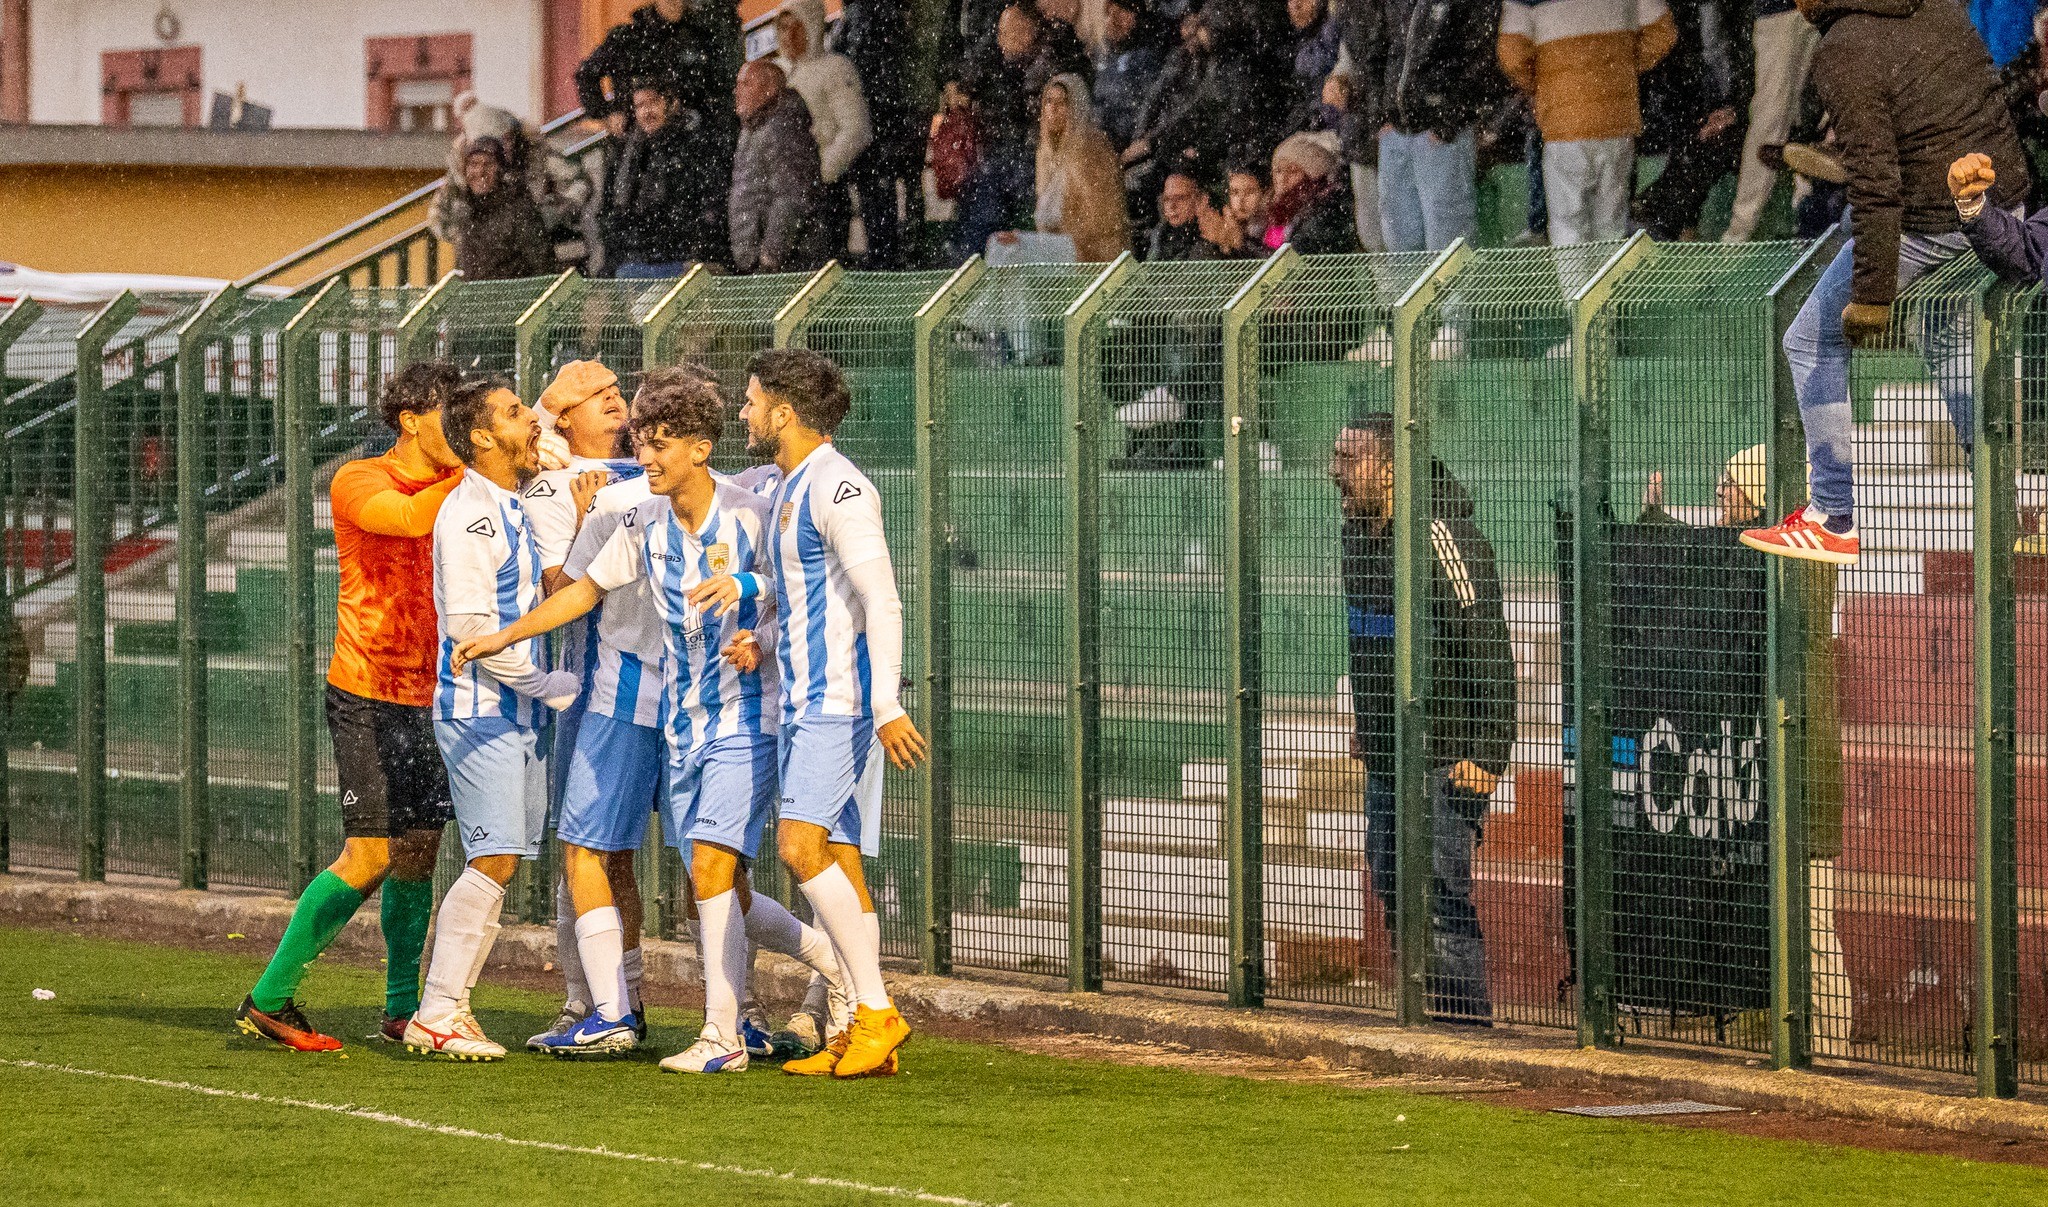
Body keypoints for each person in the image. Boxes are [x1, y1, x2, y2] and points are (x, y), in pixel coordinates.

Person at [453, 368, 850, 1073]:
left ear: (700, 448)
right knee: (712, 877)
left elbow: (806, 587)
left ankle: (702, 1026)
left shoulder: (750, 514)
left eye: (661, 444)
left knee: (695, 865)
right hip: (681, 723)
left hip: (740, 719)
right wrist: (504, 636)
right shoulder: (645, 519)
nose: (647, 457)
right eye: (642, 442)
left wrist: (758, 622)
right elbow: (578, 594)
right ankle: (819, 977)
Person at [695, 348, 927, 1078]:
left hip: (840, 702)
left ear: (785, 412)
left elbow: (881, 597)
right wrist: (758, 630)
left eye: (752, 400)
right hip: (804, 700)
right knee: (842, 864)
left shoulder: (840, 487)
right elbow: (807, 588)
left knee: (799, 849)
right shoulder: (796, 484)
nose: (744, 412)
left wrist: (885, 704)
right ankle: (863, 1030)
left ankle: (877, 1011)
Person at [1740, 0, 2029, 566]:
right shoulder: (1938, 7)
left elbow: (1876, 185)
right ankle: (2007, 504)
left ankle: (1832, 515)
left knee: (1807, 339)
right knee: (1948, 339)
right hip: (2002, 205)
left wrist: (1871, 297)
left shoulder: (1842, 49)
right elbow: (1973, 110)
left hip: (1935, 219)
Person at [233, 364, 466, 1052]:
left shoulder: (458, 485)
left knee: (419, 851)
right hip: (366, 692)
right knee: (367, 855)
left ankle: (400, 1008)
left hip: (429, 696)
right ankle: (268, 998)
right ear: (412, 419)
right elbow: (408, 518)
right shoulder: (360, 478)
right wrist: (481, 468)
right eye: (451, 416)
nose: (460, 431)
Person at [1637, 447, 1853, 1054]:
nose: (1719, 492)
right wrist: (1660, 527)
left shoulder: (1800, 558)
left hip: (1800, 769)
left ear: (1759, 496)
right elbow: (1718, 558)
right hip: (1760, 774)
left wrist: (1664, 531)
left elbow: (1723, 558)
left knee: (1810, 919)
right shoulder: (1774, 550)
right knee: (1780, 919)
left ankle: (1831, 1046)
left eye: (1730, 483)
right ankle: (1797, 1041)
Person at [402, 380, 578, 1061]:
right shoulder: (469, 513)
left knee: (499, 861)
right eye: (512, 413)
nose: (527, 420)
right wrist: (546, 683)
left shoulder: (506, 503)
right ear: (480, 437)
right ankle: (437, 1008)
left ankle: (451, 1005)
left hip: (515, 712)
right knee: (491, 858)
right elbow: (474, 629)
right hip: (481, 710)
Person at [1331, 413, 1515, 1024]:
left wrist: (1491, 752)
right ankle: (1427, 1013)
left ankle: (1464, 1027)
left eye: (1349, 459)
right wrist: (1367, 718)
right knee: (1389, 879)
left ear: (1388, 467)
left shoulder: (1442, 534)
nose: (1335, 471)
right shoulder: (1354, 534)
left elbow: (1488, 644)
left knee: (1441, 893)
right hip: (1386, 753)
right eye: (1335, 457)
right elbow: (1367, 640)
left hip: (1447, 755)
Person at [513, 361, 656, 1054]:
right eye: (594, 398)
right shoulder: (550, 487)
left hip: (669, 691)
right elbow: (553, 592)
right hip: (598, 688)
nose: (615, 404)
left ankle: (735, 1012)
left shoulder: (647, 469)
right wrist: (578, 514)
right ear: (561, 417)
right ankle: (596, 1000)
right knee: (596, 853)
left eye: (616, 394)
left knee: (706, 864)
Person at [1498, 0, 1676, 245]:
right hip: (1616, 119)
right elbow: (1663, 31)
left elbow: (1512, 53)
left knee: (1567, 223)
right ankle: (1609, 281)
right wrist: (1622, 67)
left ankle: (1575, 284)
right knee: (1611, 223)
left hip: (1564, 124)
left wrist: (1543, 84)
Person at [1358, 0, 1500, 252]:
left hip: (1442, 137)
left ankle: (1455, 294)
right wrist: (1379, 116)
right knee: (1401, 247)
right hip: (1396, 133)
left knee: (1449, 246)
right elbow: (1377, 52)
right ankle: (1408, 293)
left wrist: (1448, 122)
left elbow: (1480, 57)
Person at [1634, 0, 1750, 242]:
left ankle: (1662, 215)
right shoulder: (1682, 16)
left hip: (1736, 111)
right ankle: (1666, 218)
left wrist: (1735, 110)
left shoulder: (1736, 13)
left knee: (1702, 147)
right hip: (1692, 97)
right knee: (1692, 143)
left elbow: (1744, 63)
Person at [778, 0, 875, 260]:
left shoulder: (835, 69)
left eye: (795, 27)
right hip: (785, 195)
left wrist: (822, 174)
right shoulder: (779, 72)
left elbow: (856, 129)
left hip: (823, 196)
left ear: (810, 27)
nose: (787, 36)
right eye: (782, 28)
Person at [575, 0, 741, 147]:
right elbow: (586, 74)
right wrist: (607, 112)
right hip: (634, 144)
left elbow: (711, 86)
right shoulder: (627, 39)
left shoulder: (698, 38)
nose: (676, 4)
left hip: (686, 143)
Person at [1723, 1, 1820, 244]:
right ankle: (1739, 232)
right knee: (1771, 119)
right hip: (1783, 10)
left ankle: (1812, 212)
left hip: (1833, 9)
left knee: (1832, 107)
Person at [832, 0, 920, 268]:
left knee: (876, 197)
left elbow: (859, 63)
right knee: (881, 197)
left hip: (875, 121)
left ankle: (883, 263)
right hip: (882, 119)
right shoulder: (876, 16)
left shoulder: (865, 16)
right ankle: (888, 259)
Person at [599, 82, 716, 278]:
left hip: (677, 260)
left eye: (653, 102)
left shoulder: (692, 146)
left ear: (670, 104)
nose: (647, 112)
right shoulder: (626, 152)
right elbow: (610, 209)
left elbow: (706, 203)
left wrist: (695, 252)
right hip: (632, 261)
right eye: (640, 106)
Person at [730, 59, 831, 275]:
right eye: (738, 84)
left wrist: (770, 255)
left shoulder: (782, 129)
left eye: (746, 84)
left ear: (769, 89)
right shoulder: (754, 128)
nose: (737, 91)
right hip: (763, 262)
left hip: (787, 265)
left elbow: (792, 195)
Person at [1024, 74, 1131, 261]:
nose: (1053, 109)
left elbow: (1105, 220)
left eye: (1062, 102)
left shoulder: (1091, 147)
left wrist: (1062, 241)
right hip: (1060, 248)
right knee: (1003, 244)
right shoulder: (1044, 153)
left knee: (1010, 252)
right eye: (1048, 101)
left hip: (1092, 253)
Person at [443, 137, 553, 282]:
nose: (480, 172)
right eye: (473, 164)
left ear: (501, 170)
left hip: (515, 299)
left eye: (488, 164)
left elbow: (543, 266)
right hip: (477, 299)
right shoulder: (466, 211)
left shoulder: (519, 208)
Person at [1093, 0, 1173, 153]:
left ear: (1139, 16)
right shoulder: (1101, 55)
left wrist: (1143, 142)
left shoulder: (1151, 57)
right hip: (1104, 146)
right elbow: (1097, 106)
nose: (1113, 20)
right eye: (1109, 13)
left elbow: (1152, 108)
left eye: (1123, 12)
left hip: (1138, 149)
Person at [1265, 132, 1360, 254]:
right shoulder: (1274, 213)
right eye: (1278, 171)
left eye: (1292, 171)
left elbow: (1291, 260)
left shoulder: (1327, 208)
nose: (1283, 178)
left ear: (1313, 176)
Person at [1144, 170, 1224, 260]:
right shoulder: (1159, 236)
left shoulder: (1211, 237)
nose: (1172, 206)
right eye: (1167, 199)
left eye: (1179, 198)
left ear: (1201, 200)